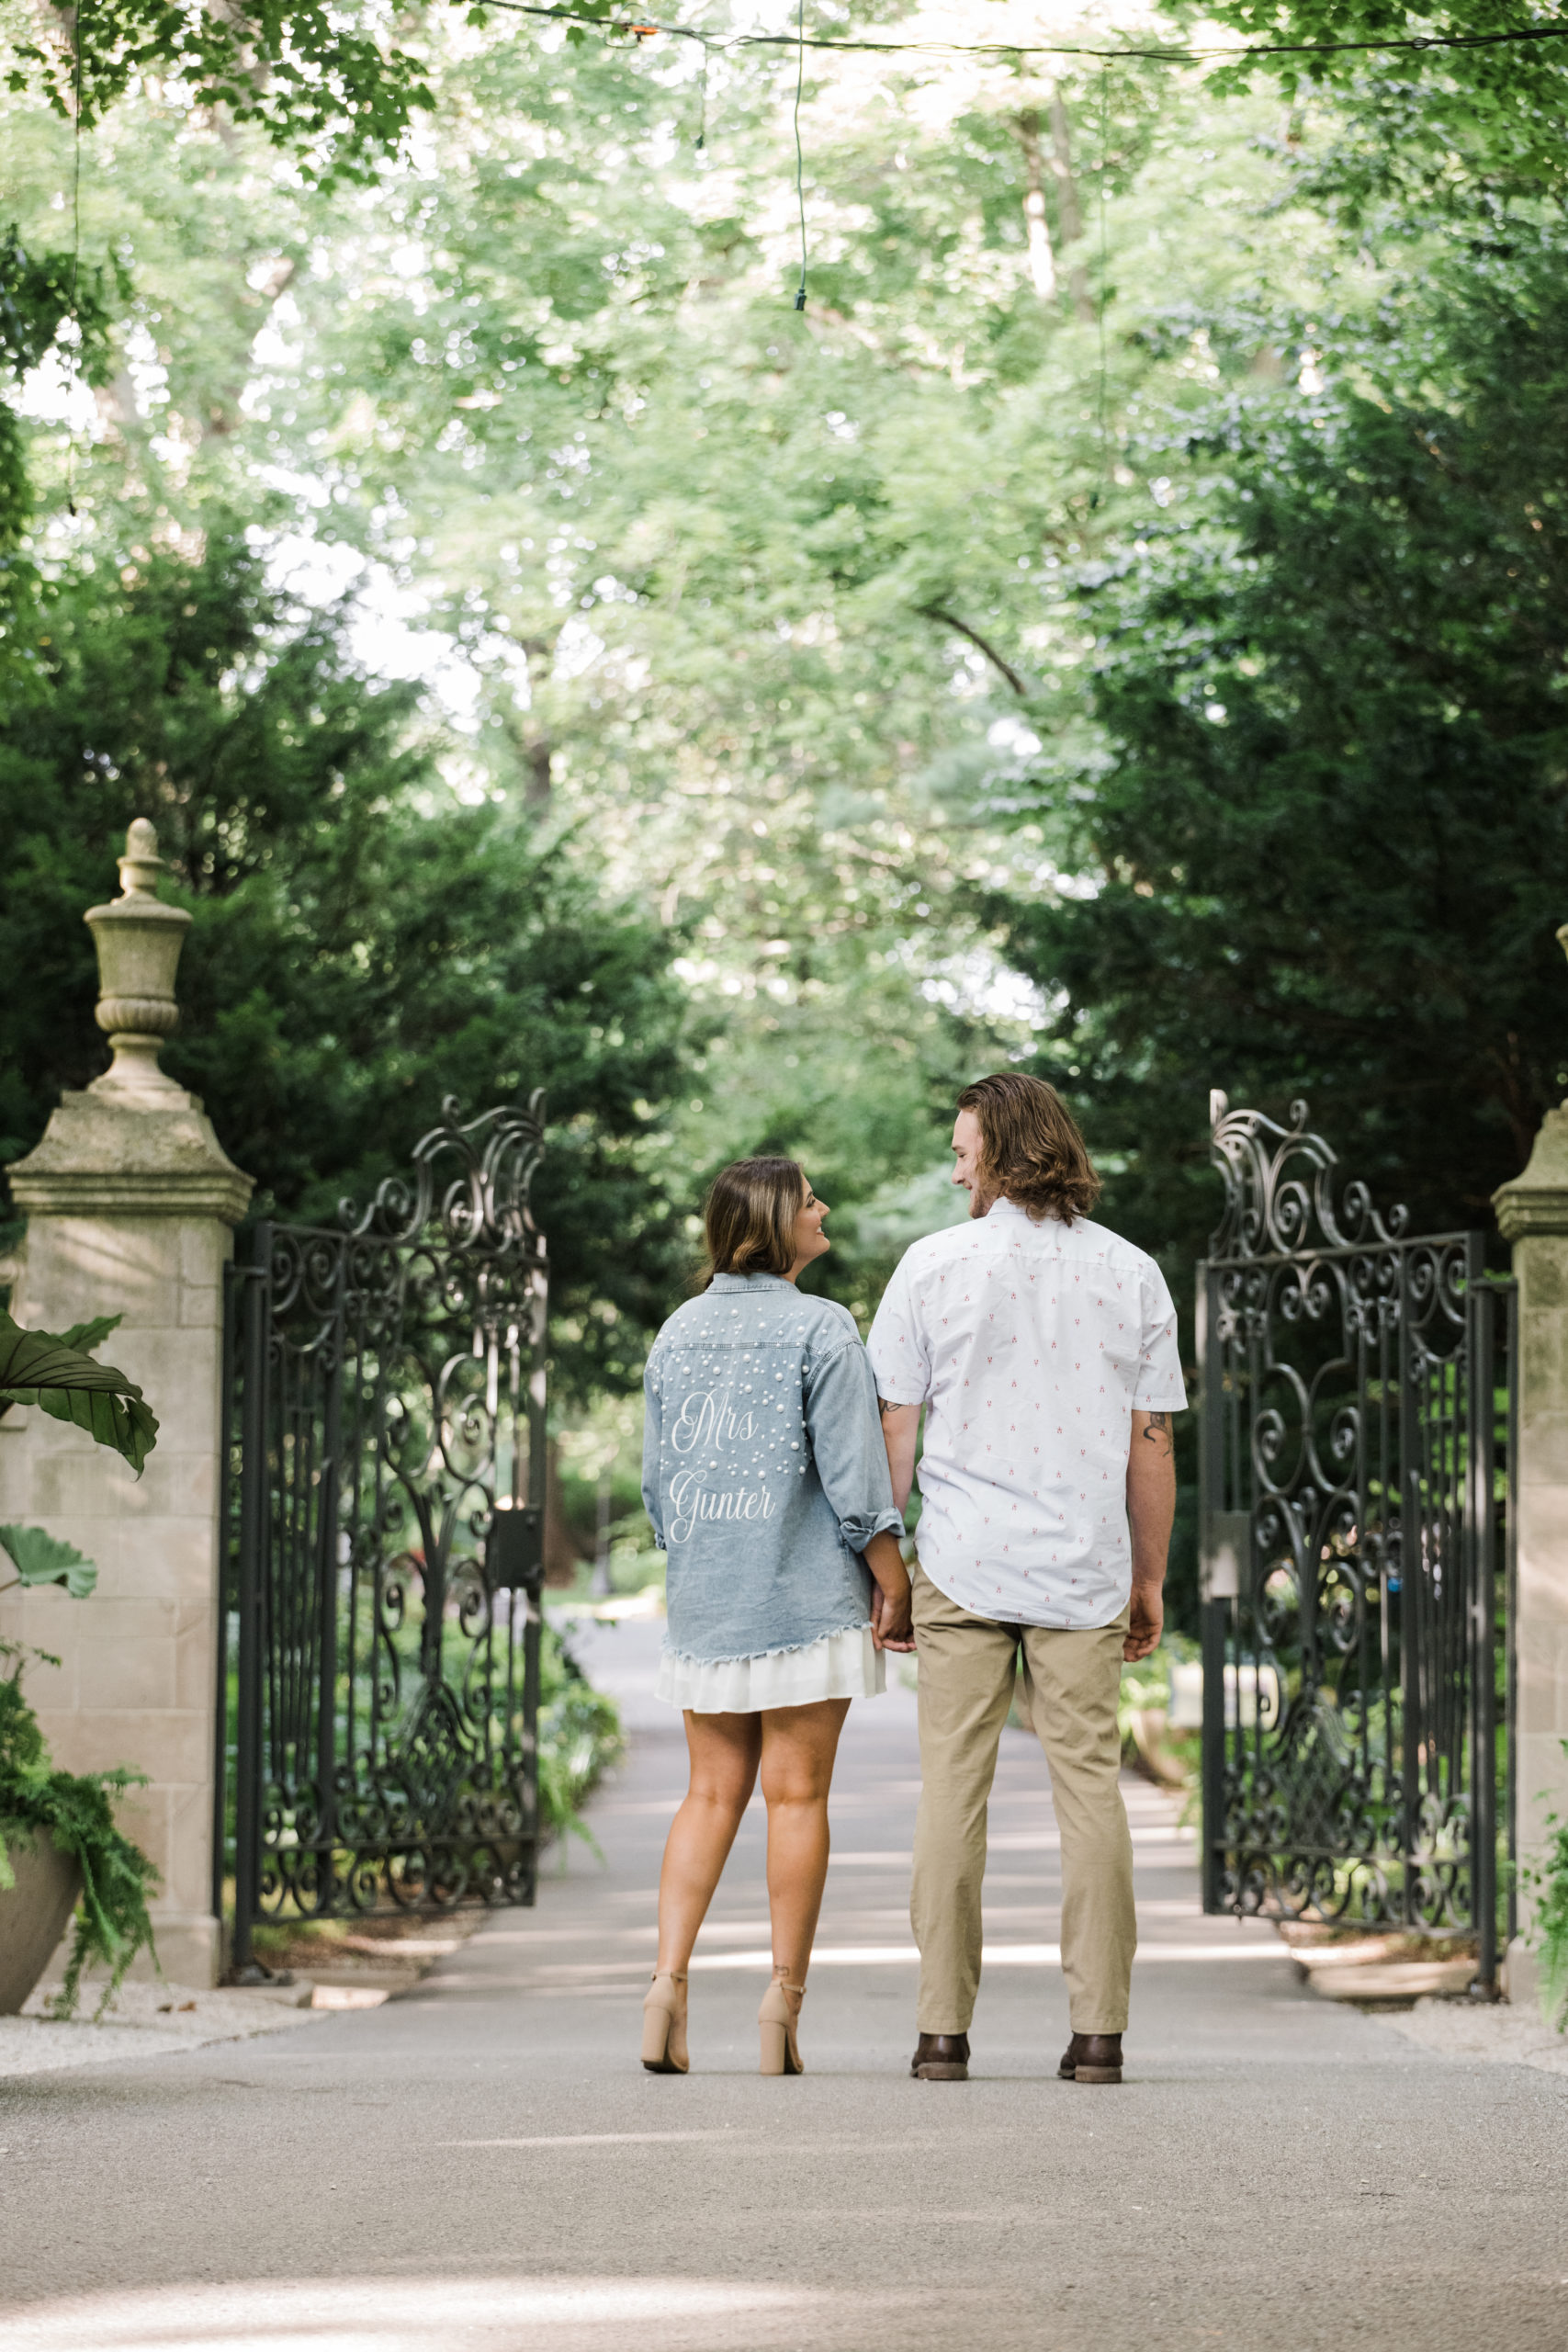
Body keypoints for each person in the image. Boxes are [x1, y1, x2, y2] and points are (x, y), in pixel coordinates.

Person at [867, 1073, 1184, 2086]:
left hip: (961, 1561)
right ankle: (1099, 2034)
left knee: (951, 1793)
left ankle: (940, 2034)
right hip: (1084, 1569)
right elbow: (1152, 1446)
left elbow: (896, 1431)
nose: (955, 1165)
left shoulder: (932, 1266)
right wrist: (1150, 1577)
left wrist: (887, 1570)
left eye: (964, 1149)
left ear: (1003, 1152)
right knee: (1089, 1789)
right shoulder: (1132, 1273)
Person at [639, 1155, 913, 2078]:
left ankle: (666, 1987)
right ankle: (780, 2007)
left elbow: (657, 1491)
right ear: (771, 1219)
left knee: (708, 1794)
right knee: (796, 1797)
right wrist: (894, 1578)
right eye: (809, 1200)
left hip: (708, 1604)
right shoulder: (825, 1329)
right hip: (804, 1601)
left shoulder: (675, 1335)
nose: (823, 1207)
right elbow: (855, 1479)